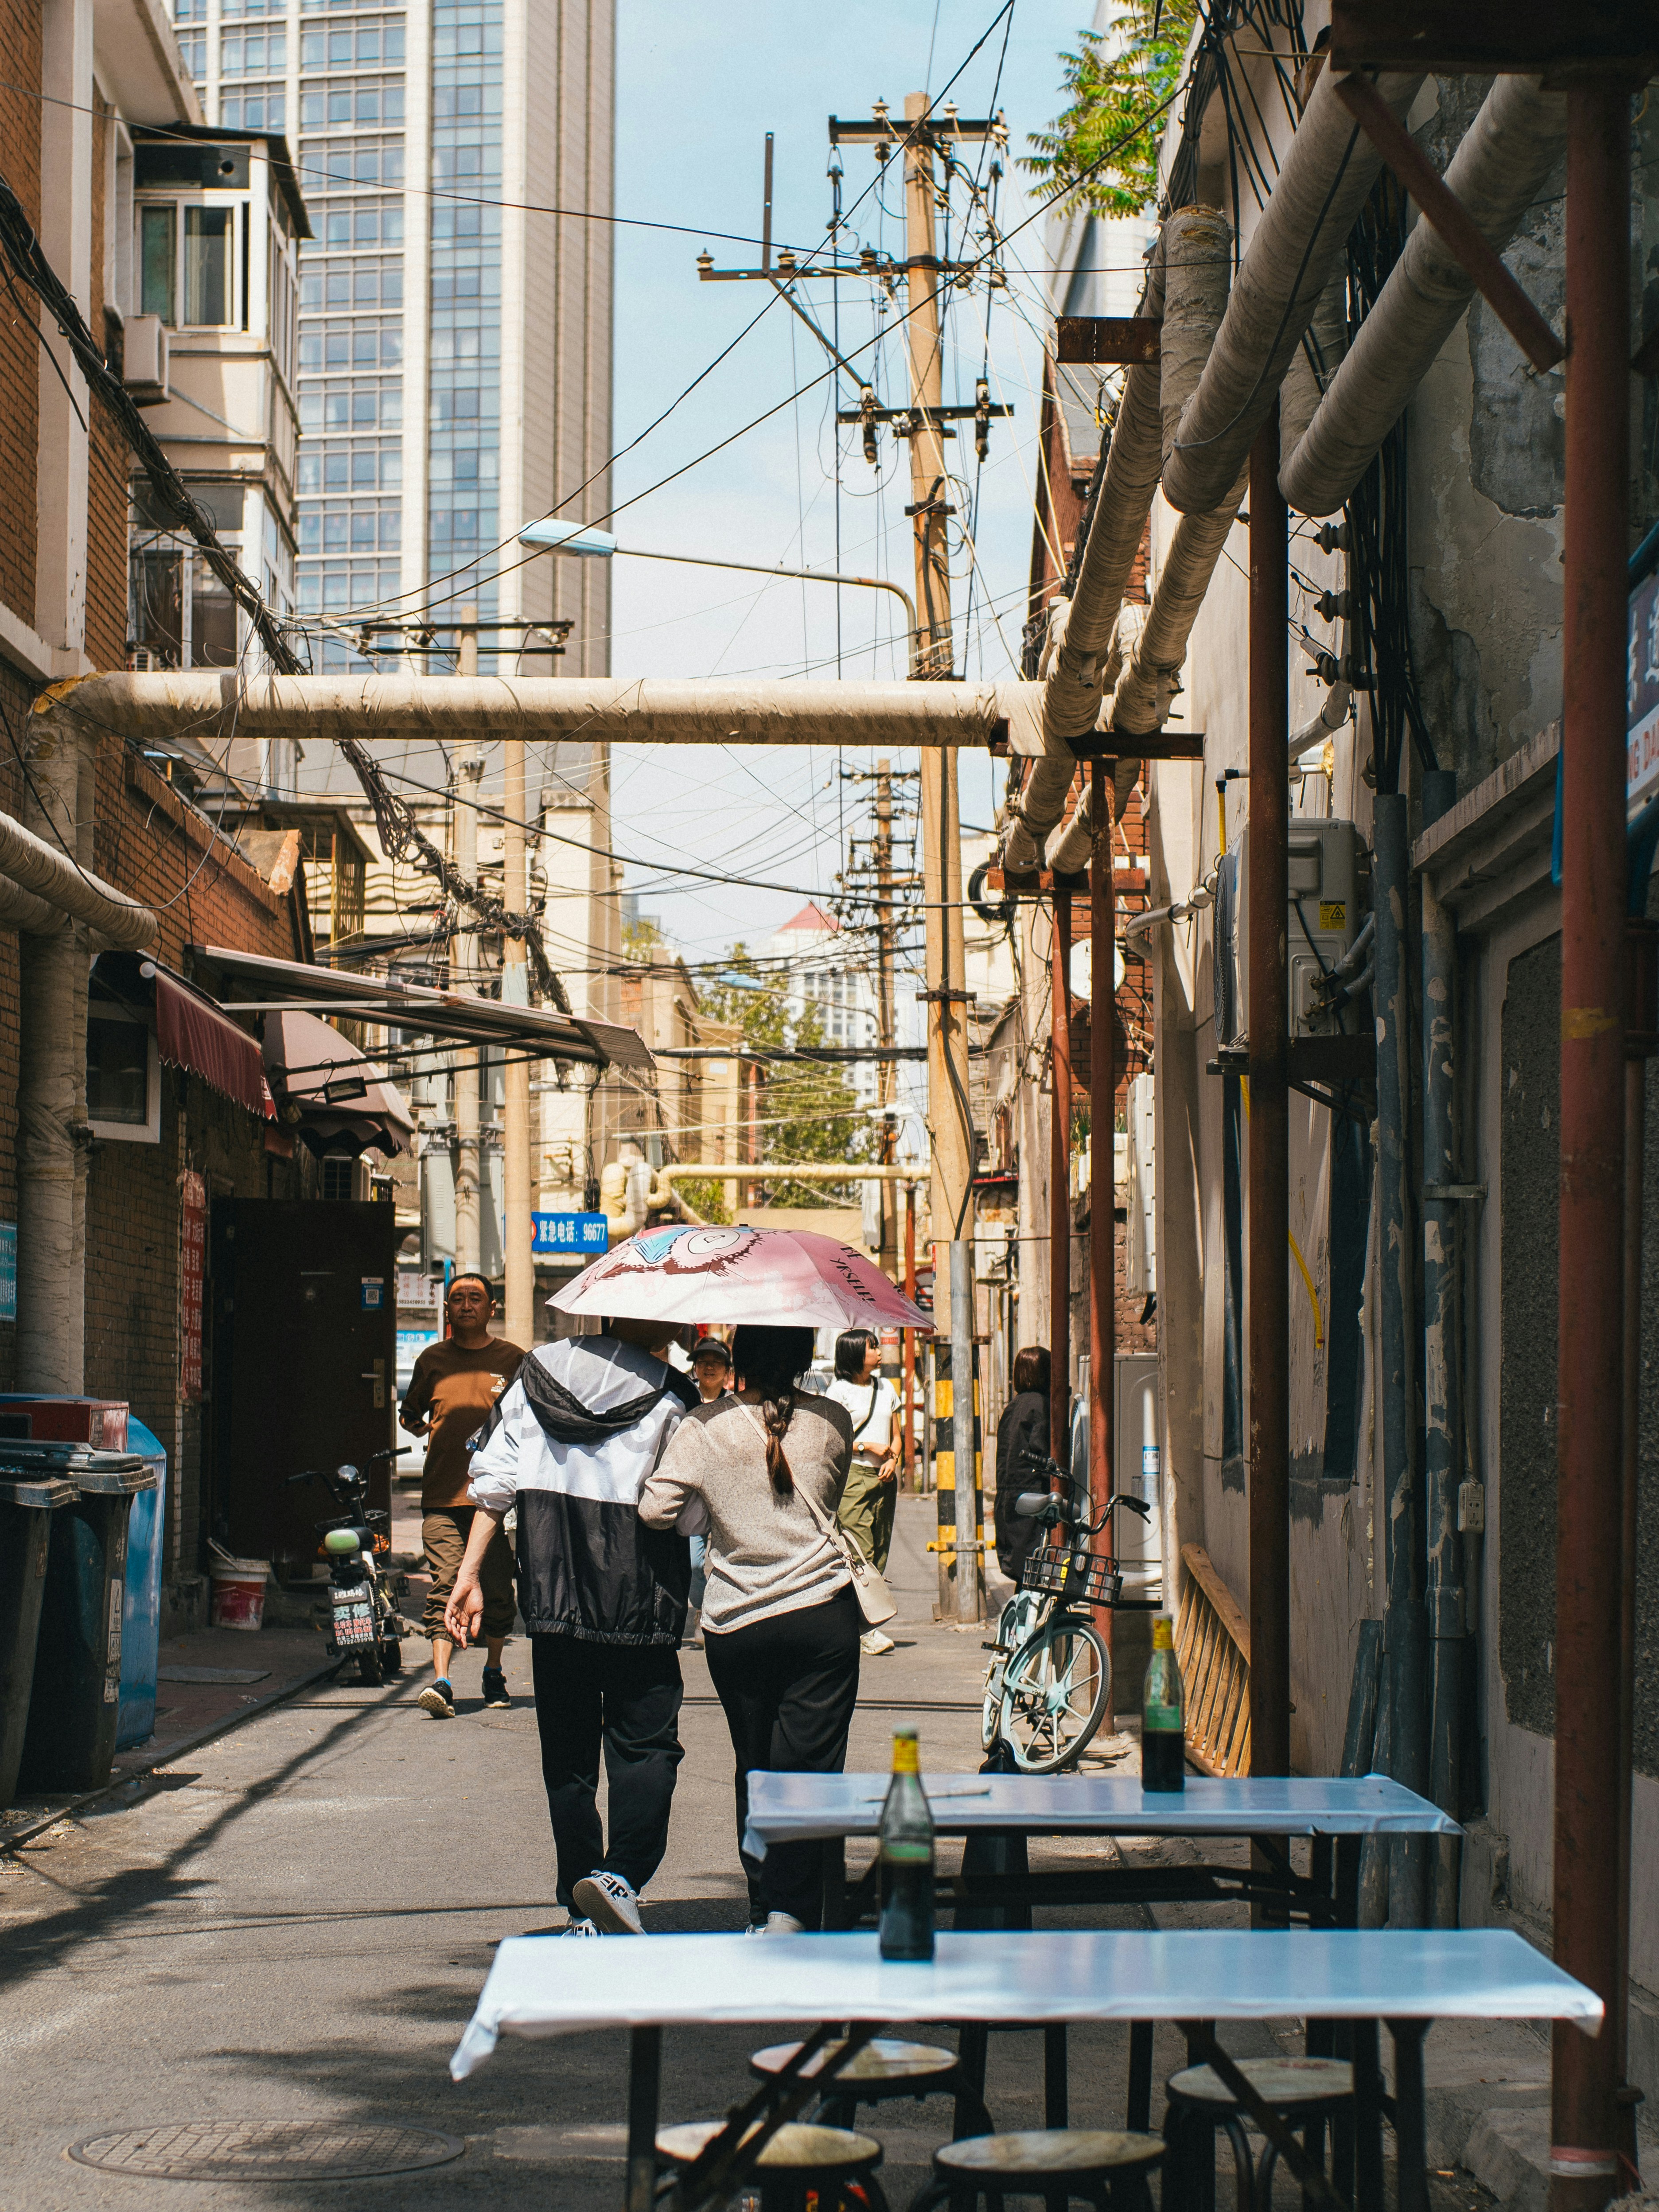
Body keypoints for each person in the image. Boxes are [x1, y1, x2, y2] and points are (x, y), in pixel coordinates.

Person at [445, 1317, 697, 1936]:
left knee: (569, 1757)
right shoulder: (673, 1393)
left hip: (553, 1599)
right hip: (642, 1603)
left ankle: (581, 1901)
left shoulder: (534, 1375)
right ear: (654, 1319)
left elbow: (494, 1486)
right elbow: (689, 1515)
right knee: (646, 1748)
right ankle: (621, 1879)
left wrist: (468, 1574)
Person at [640, 1324, 858, 1935]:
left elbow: (657, 1511)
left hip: (738, 1620)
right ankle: (797, 1909)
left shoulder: (703, 1426)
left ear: (738, 1359)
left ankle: (765, 1907)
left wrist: (706, 1506)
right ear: (803, 1356)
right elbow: (828, 1497)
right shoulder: (835, 1419)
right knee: (812, 1770)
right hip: (822, 1611)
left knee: (755, 1766)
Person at [399, 1273, 524, 1719]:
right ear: (447, 1310)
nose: (466, 1305)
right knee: (444, 1586)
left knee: (496, 1592)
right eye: (457, 1299)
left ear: (492, 1307)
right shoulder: (432, 1359)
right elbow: (410, 1414)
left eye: (475, 1298)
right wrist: (432, 1430)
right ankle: (442, 1680)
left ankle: (493, 1668)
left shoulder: (514, 1359)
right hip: (441, 1496)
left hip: (493, 1501)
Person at [823, 1328, 901, 1658]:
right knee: (860, 1547)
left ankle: (863, 1620)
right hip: (854, 1474)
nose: (879, 1351)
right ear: (855, 1352)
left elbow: (898, 1434)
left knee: (880, 1547)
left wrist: (894, 1459)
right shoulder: (839, 1392)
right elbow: (832, 1438)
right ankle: (864, 1627)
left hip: (884, 1477)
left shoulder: (886, 1388)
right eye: (872, 1347)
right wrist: (868, 1446)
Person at [995, 1344, 1052, 1586]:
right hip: (1033, 1498)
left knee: (1023, 1575)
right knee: (1036, 1569)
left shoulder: (1013, 1407)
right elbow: (1046, 1452)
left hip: (1009, 1500)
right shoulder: (1040, 1406)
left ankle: (1019, 1623)